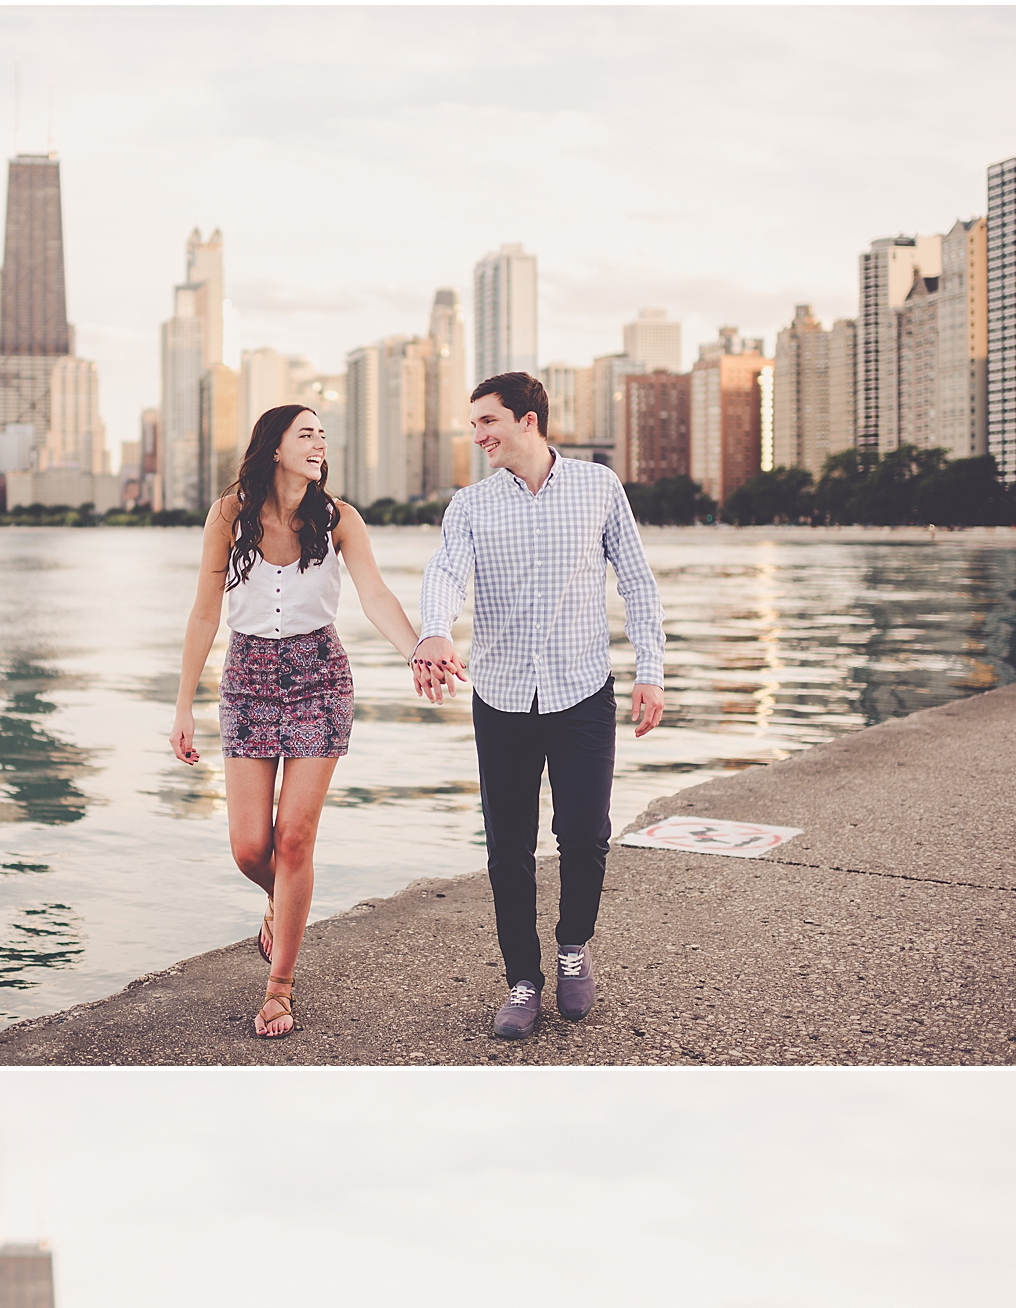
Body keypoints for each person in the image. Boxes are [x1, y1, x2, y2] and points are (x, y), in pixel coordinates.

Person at [170, 404, 457, 1038]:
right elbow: (202, 614)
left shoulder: (339, 519)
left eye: (325, 435)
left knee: (294, 840)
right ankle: (281, 898)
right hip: (247, 678)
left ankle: (280, 988)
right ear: (274, 448)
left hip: (319, 677)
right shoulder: (230, 514)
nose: (320, 444)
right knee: (251, 847)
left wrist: (417, 648)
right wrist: (184, 704)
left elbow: (375, 594)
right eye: (307, 435)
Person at [409, 373, 667, 1041]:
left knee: (585, 835)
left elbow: (637, 579)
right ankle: (522, 979)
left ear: (529, 420)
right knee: (508, 849)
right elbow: (444, 572)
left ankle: (574, 945)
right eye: (472, 425)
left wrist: (653, 672)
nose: (479, 436)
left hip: (582, 690)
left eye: (488, 421)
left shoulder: (598, 487)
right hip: (499, 696)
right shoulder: (469, 506)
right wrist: (434, 628)